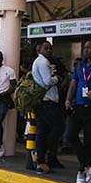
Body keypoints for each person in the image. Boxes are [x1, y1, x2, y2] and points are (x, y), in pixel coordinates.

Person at [65, 40, 91, 183]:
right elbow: (73, 84)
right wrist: (68, 100)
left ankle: (82, 169)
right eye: (85, 47)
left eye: (89, 48)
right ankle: (88, 163)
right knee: (69, 136)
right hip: (78, 106)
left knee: (89, 140)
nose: (86, 50)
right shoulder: (79, 66)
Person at [32, 41, 63, 174]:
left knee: (42, 131)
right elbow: (47, 82)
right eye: (46, 48)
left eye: (50, 48)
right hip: (48, 102)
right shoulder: (43, 62)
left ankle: (40, 161)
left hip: (40, 102)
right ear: (40, 49)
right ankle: (42, 152)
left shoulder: (38, 62)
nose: (49, 50)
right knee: (59, 128)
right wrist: (57, 78)